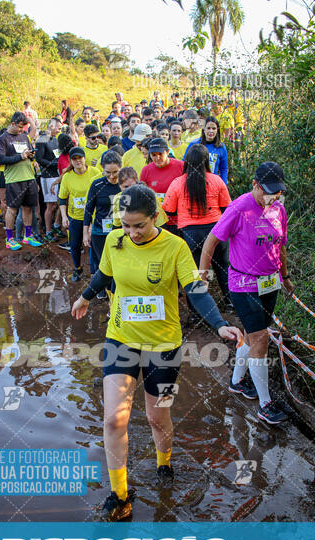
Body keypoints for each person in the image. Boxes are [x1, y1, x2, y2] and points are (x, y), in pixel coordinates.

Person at [71, 184, 241, 520]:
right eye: (126, 225)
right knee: (113, 418)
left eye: (139, 225)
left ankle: (164, 463)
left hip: (164, 346)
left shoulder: (175, 247)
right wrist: (86, 296)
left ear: (156, 217)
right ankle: (120, 496)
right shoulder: (116, 241)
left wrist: (219, 324)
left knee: (156, 416)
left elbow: (196, 290)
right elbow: (104, 274)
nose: (131, 233)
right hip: (121, 338)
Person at [199, 162, 294, 424]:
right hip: (243, 283)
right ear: (255, 185)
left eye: (276, 192)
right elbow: (211, 241)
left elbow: (281, 246)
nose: (272, 197)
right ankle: (265, 404)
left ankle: (237, 381)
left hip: (270, 283)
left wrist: (285, 277)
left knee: (253, 337)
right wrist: (203, 275)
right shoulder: (240, 208)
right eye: (267, 192)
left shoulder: (278, 209)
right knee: (261, 339)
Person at [163, 143, 232, 317]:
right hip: (216, 232)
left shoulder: (178, 183)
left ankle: (196, 312)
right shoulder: (216, 180)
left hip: (190, 234)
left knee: (193, 273)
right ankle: (230, 303)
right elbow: (227, 207)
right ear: (206, 161)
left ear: (186, 162)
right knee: (222, 268)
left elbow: (168, 209)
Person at [0, 112, 42, 250]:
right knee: (12, 208)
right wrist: (20, 157)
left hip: (29, 177)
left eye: (24, 128)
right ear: (13, 124)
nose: (22, 130)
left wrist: (33, 158)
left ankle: (28, 236)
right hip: (14, 179)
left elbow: (28, 152)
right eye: (20, 127)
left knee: (29, 207)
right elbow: (1, 160)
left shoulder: (24, 136)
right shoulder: (3, 139)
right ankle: (10, 238)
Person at [58, 147, 101, 281]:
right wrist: (64, 216)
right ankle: (77, 268)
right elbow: (62, 198)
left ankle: (96, 272)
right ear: (71, 161)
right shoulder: (67, 177)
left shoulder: (95, 172)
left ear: (84, 158)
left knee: (95, 244)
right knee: (74, 244)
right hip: (76, 216)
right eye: (74, 159)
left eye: (80, 158)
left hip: (94, 216)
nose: (78, 161)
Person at [83, 151, 122, 296]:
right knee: (103, 263)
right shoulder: (97, 184)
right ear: (102, 168)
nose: (112, 177)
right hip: (100, 231)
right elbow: (88, 208)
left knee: (118, 264)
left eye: (115, 172)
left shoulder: (124, 184)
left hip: (119, 231)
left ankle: (115, 294)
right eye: (108, 173)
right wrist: (85, 232)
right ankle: (105, 290)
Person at [140, 137, 184, 235]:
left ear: (167, 152)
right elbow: (143, 195)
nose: (157, 158)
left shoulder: (181, 166)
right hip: (158, 220)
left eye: (160, 154)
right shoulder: (146, 170)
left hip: (178, 219)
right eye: (153, 155)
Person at [184, 116, 228, 184]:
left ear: (217, 130)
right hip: (195, 183)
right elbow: (184, 163)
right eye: (208, 128)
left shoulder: (221, 147)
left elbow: (224, 169)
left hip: (213, 184)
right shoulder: (194, 144)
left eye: (214, 128)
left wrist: (223, 185)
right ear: (204, 129)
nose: (211, 131)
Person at [35, 127, 60, 242]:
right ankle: (48, 231)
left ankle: (55, 227)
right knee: (50, 206)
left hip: (58, 175)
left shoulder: (55, 140)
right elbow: (39, 159)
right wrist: (54, 164)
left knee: (58, 204)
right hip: (47, 177)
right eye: (58, 128)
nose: (59, 130)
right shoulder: (41, 140)